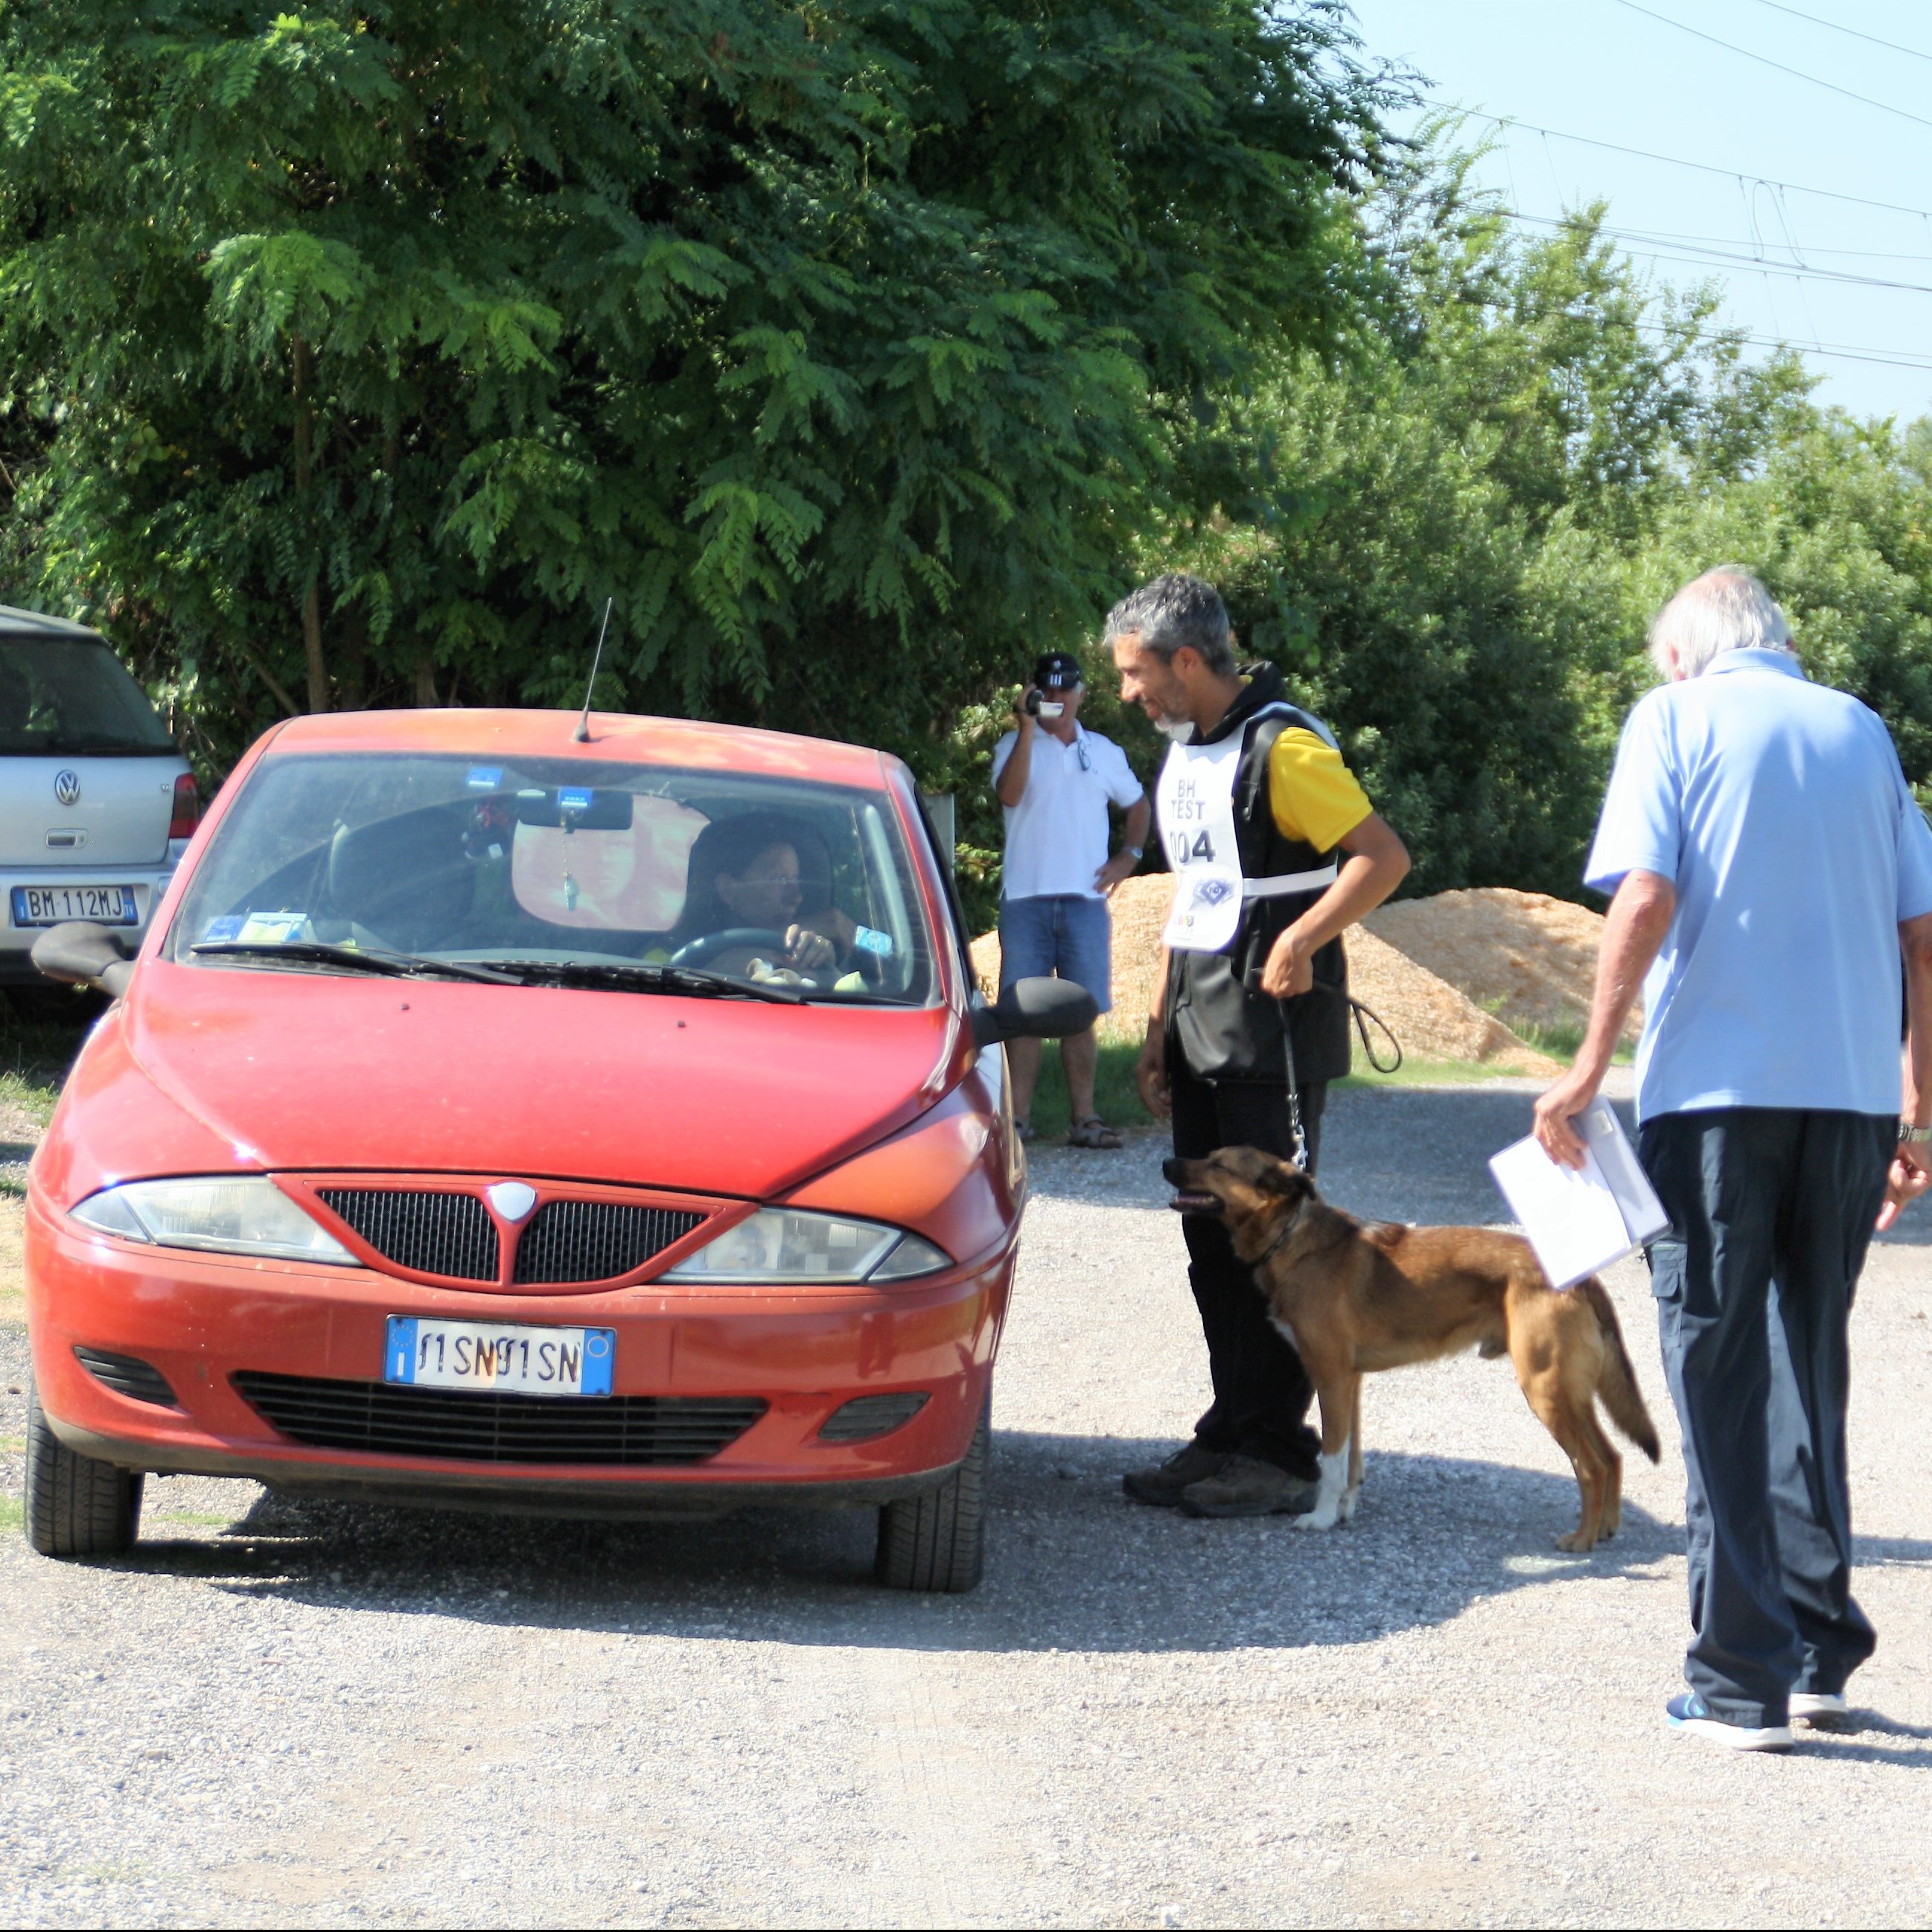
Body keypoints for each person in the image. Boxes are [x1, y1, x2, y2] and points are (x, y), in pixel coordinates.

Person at [1532, 567, 1932, 1754]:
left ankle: (1734, 1679)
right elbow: (1921, 931)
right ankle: (1813, 1652)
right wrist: (1915, 1108)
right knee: (1803, 1357)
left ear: (1679, 654)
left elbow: (1645, 893)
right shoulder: (1859, 728)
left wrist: (1585, 1063)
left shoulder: (1672, 717)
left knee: (1712, 1363)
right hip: (1851, 1097)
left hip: (1713, 1093)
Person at [1109, 574, 1410, 1517]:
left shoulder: (1285, 745)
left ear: (1186, 660)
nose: (1128, 693)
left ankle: (1282, 1454)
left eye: (1135, 673)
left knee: (1281, 1252)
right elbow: (1193, 896)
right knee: (1212, 1245)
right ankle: (1234, 1429)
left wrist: (1303, 937)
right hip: (1200, 1021)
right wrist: (1157, 1029)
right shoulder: (1189, 753)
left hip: (1269, 1031)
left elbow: (1383, 857)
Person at [992, 649, 1152, 1147]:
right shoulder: (1012, 745)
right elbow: (1010, 795)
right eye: (1048, 689)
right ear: (1035, 692)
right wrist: (1024, 727)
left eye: (1066, 688)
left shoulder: (1102, 750)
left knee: (1081, 1011)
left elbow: (1137, 804)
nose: (1058, 698)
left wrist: (1129, 855)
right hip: (1025, 898)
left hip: (1084, 900)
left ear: (1082, 693)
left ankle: (1084, 1116)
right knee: (1023, 1014)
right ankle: (1017, 1119)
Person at [668, 812, 849, 972]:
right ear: (728, 889)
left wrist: (822, 966)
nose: (796, 897)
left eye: (796, 879)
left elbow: (877, 945)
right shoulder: (660, 958)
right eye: (779, 879)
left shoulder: (812, 942)